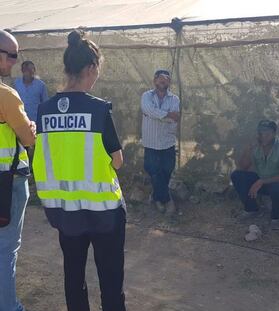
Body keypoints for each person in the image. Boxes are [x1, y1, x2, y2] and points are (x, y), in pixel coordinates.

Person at [33, 30, 126, 311]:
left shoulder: (44, 111)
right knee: (110, 280)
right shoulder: (98, 110)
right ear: (90, 68)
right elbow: (117, 160)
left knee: (73, 278)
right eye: (97, 69)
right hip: (105, 214)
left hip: (66, 212)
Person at [0, 29, 36, 311]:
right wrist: (31, 128)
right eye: (11, 55)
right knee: (6, 249)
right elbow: (28, 138)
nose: (14, 61)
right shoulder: (7, 97)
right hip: (7, 183)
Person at [231, 120, 279, 230]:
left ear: (274, 134)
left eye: (267, 134)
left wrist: (261, 182)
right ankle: (251, 209)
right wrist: (248, 150)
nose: (263, 137)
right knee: (237, 175)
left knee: (276, 188)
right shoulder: (256, 146)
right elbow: (242, 167)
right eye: (261, 133)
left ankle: (276, 218)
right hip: (262, 181)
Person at [141, 69, 180, 216]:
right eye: (161, 79)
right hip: (151, 142)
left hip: (167, 142)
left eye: (167, 79)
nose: (164, 81)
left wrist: (155, 114)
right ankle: (168, 201)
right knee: (154, 172)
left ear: (169, 82)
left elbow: (174, 117)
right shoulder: (146, 96)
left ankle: (157, 197)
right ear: (155, 81)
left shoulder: (174, 99)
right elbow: (148, 109)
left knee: (167, 171)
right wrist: (166, 114)